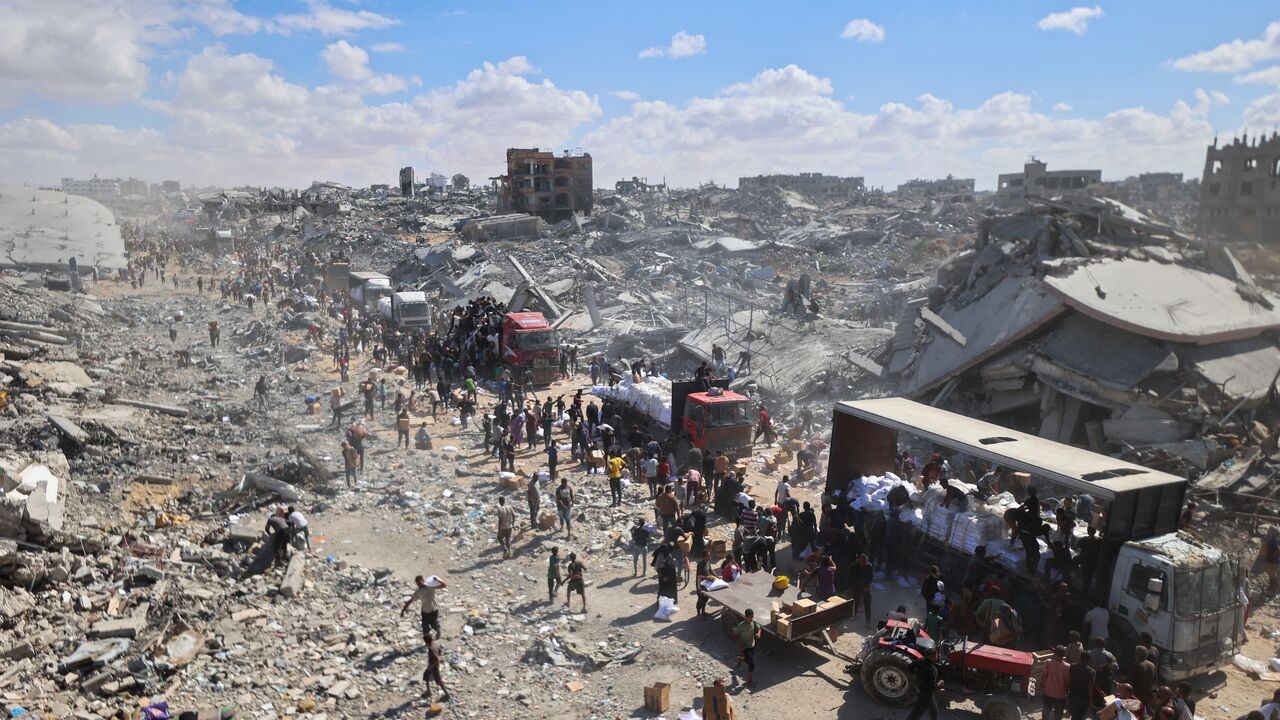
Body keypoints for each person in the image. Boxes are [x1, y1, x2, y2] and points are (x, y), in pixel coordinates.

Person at [401, 575, 447, 642]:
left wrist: (438, 579)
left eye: (419, 583)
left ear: (423, 581)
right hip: (424, 611)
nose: (418, 585)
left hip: (433, 609)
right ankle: (428, 641)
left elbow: (444, 585)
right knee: (425, 627)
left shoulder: (430, 587)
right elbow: (410, 601)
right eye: (417, 584)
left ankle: (438, 630)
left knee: (433, 624)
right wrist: (403, 610)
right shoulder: (418, 592)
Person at [904, 638, 942, 720]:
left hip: (919, 689)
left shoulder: (920, 660)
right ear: (932, 657)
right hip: (926, 694)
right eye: (936, 655)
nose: (937, 656)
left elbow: (910, 667)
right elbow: (932, 687)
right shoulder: (932, 670)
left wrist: (917, 673)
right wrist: (940, 684)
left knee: (933, 708)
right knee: (918, 712)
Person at [734, 608, 762, 685]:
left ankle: (739, 659)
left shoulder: (754, 622)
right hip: (745, 647)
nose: (751, 618)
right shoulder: (741, 626)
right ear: (746, 617)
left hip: (752, 645)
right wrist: (739, 643)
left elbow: (759, 628)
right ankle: (750, 680)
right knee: (751, 664)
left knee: (748, 659)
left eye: (752, 616)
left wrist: (758, 633)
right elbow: (735, 634)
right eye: (749, 617)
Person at [1042, 646, 1071, 720]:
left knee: (1046, 710)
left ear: (1055, 653)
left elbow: (1044, 675)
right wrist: (1068, 691)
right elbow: (1067, 681)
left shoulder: (1048, 662)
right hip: (1061, 695)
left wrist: (1042, 684)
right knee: (1058, 714)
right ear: (1064, 655)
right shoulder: (1067, 667)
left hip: (1048, 691)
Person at [421, 634, 451, 703]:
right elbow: (440, 652)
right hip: (434, 665)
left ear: (426, 642)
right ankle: (428, 691)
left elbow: (437, 659)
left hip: (434, 667)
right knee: (426, 676)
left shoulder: (431, 649)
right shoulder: (435, 644)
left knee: (439, 681)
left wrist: (431, 666)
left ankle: (447, 695)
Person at [1067, 654, 1095, 720]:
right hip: (1084, 698)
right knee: (1080, 716)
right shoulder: (1091, 672)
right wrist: (1091, 700)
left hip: (1073, 695)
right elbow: (1090, 687)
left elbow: (1068, 679)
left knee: (1074, 715)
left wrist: (1068, 691)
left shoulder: (1073, 666)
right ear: (1089, 660)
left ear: (1080, 658)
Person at [850, 553, 874, 624]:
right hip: (856, 587)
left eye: (866, 561)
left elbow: (870, 577)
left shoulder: (869, 566)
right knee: (855, 602)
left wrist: (866, 586)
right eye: (863, 561)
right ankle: (853, 616)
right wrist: (851, 588)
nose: (865, 562)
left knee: (867, 603)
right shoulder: (854, 566)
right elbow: (851, 578)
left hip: (865, 587)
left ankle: (868, 621)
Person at [695, 550, 715, 618]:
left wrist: (717, 576)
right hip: (700, 585)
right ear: (704, 557)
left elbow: (710, 570)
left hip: (706, 584)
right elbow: (699, 576)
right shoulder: (700, 565)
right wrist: (707, 578)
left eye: (709, 555)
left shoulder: (708, 562)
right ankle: (698, 613)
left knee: (705, 598)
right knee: (701, 599)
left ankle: (703, 611)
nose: (709, 557)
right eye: (708, 556)